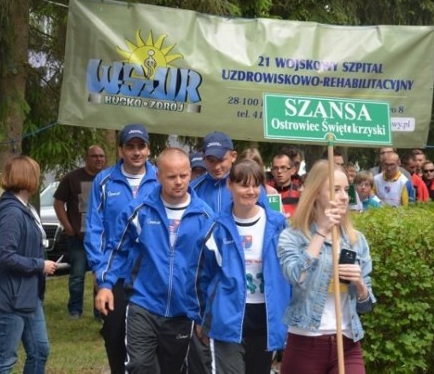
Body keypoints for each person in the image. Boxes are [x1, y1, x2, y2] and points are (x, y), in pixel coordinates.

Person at [95, 148, 215, 374]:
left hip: (183, 310)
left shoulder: (205, 217)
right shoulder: (139, 211)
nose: (178, 182)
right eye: (171, 177)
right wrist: (106, 284)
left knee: (173, 368)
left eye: (183, 176)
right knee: (140, 365)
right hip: (144, 303)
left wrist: (207, 311)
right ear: (158, 176)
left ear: (190, 173)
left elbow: (212, 269)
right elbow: (117, 249)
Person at [277, 160, 375, 374]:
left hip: (347, 342)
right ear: (316, 193)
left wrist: (359, 284)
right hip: (305, 344)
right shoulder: (292, 236)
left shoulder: (355, 240)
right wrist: (321, 233)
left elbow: (367, 305)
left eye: (345, 190)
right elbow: (295, 277)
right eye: (335, 189)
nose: (343, 196)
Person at [198, 159, 290, 374]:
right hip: (227, 317)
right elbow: (202, 275)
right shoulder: (216, 226)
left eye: (255, 185)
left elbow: (289, 272)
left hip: (266, 317)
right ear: (230, 185)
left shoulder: (277, 224)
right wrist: (200, 316)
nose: (250, 191)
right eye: (243, 185)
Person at [85, 124, 158, 374]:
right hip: (113, 271)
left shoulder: (160, 179)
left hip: (150, 273)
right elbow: (95, 227)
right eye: (130, 147)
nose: (136, 152)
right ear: (120, 150)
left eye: (141, 146)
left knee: (149, 339)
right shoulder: (104, 181)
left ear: (148, 149)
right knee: (114, 334)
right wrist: (99, 269)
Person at [0, 156, 58, 373]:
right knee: (5, 359)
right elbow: (5, 256)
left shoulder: (23, 207)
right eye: (37, 173)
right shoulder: (12, 213)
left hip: (28, 294)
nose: (40, 178)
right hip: (9, 297)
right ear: (28, 178)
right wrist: (39, 265)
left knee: (40, 350)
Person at [54, 145, 106, 320]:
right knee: (77, 276)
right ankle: (75, 310)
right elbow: (58, 203)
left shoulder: (108, 178)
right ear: (86, 157)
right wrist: (68, 227)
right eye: (94, 156)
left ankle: (100, 312)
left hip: (101, 239)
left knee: (100, 277)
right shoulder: (72, 178)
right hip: (79, 239)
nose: (98, 159)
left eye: (101, 156)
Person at [267, 152, 301, 218]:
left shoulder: (299, 193)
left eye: (283, 167)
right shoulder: (267, 193)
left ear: (293, 170)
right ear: (272, 172)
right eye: (276, 168)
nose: (279, 171)